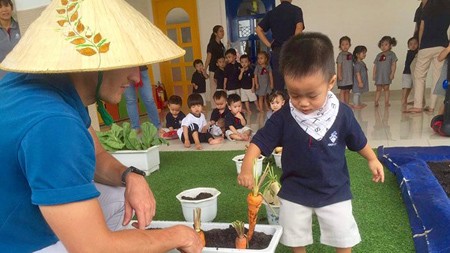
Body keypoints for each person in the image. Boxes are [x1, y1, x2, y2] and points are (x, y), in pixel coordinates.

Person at [0, 0, 203, 252]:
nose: (136, 77)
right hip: (18, 244)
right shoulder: (54, 125)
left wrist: (131, 176)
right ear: (90, 61)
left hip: (22, 212)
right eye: (126, 63)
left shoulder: (45, 83)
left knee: (120, 194)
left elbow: (95, 155)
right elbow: (94, 248)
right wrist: (176, 236)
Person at [237, 32, 384, 253]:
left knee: (343, 235)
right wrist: (247, 166)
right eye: (294, 94)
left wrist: (372, 158)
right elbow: (259, 142)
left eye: (312, 95)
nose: (303, 103)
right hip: (296, 189)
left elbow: (358, 140)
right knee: (294, 232)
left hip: (334, 189)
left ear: (331, 82)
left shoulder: (341, 113)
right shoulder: (285, 116)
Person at [407, 0, 450, 113]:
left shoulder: (428, 5)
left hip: (426, 45)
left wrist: (420, 45)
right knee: (437, 77)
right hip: (442, 45)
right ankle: (432, 107)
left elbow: (421, 27)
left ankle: (418, 105)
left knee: (419, 76)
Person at [256, 0, 304, 91]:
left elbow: (258, 29)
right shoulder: (296, 10)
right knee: (294, 79)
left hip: (277, 50)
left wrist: (269, 45)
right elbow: (299, 27)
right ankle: (294, 104)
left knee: (279, 82)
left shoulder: (272, 13)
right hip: (291, 50)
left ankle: (280, 104)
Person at [124, 65, 162, 131]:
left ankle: (156, 124)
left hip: (142, 70)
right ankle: (135, 127)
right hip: (124, 71)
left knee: (149, 99)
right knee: (130, 100)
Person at [204, 25, 226, 108]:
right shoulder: (211, 44)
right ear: (215, 33)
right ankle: (214, 107)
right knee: (214, 89)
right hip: (213, 70)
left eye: (223, 31)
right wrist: (205, 69)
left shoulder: (221, 45)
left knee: (222, 87)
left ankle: (223, 105)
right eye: (220, 31)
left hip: (221, 69)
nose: (222, 32)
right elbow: (209, 57)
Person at [373, 36, 397, 107]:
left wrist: (392, 73)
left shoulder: (392, 54)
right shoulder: (378, 55)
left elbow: (393, 65)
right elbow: (375, 65)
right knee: (378, 89)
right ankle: (376, 101)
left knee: (386, 88)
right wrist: (374, 74)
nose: (383, 46)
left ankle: (387, 102)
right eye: (382, 45)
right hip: (379, 75)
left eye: (386, 44)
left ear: (390, 45)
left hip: (386, 75)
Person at [0, 0, 20, 80]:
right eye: (0, 7)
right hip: (3, 79)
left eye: (6, 5)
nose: (4, 9)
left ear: (11, 7)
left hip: (22, 75)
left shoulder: (21, 27)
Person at [401, 37, 419, 106]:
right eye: (411, 44)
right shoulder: (410, 52)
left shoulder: (417, 52)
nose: (413, 45)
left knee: (409, 87)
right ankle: (403, 99)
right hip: (407, 72)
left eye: (415, 44)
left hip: (413, 73)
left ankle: (406, 99)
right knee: (406, 87)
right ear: (408, 46)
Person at [336, 36, 353, 105]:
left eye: (347, 44)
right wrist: (339, 75)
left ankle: (347, 104)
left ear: (349, 45)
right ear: (340, 46)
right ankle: (342, 105)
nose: (345, 46)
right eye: (343, 44)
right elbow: (339, 66)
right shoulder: (340, 55)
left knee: (348, 90)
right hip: (342, 77)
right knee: (342, 90)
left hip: (349, 77)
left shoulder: (350, 55)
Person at [352, 45, 369, 109]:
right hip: (358, 82)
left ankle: (359, 103)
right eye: (363, 53)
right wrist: (360, 82)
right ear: (357, 54)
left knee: (359, 93)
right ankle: (355, 104)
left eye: (365, 53)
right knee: (357, 93)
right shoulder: (357, 64)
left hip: (362, 81)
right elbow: (357, 73)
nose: (365, 54)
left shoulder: (361, 63)